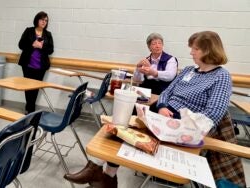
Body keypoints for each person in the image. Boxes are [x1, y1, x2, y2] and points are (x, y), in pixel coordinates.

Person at [64, 31, 246, 188]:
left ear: (208, 50)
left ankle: (104, 175)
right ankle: (100, 171)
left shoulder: (221, 76)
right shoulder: (190, 70)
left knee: (123, 130)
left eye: (195, 49)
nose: (191, 52)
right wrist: (163, 107)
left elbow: (214, 111)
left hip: (186, 125)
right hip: (163, 115)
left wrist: (178, 123)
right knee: (119, 126)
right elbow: (167, 92)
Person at [18, 11, 54, 114]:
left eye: (46, 20)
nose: (44, 22)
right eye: (42, 19)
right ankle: (30, 109)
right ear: (37, 20)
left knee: (36, 88)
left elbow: (51, 50)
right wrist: (32, 45)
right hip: (27, 65)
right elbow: (21, 45)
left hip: (41, 66)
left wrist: (41, 46)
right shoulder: (28, 31)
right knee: (28, 88)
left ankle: (30, 109)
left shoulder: (48, 34)